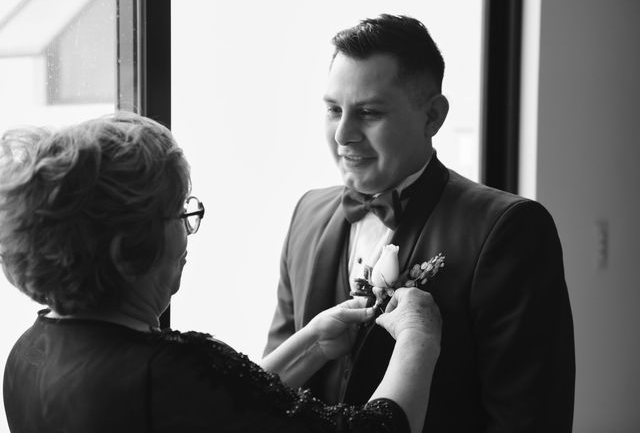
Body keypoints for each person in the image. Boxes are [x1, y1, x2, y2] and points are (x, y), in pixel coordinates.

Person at [0, 112, 442, 433]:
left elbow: (217, 416)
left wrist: (310, 346)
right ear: (125, 251)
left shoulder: (27, 354)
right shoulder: (167, 372)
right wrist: (419, 336)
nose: (188, 236)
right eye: (179, 215)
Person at [264, 14, 575, 432]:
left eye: (369, 112)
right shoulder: (307, 213)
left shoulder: (508, 229)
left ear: (433, 117)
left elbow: (529, 418)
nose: (343, 134)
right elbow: (263, 397)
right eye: (333, 109)